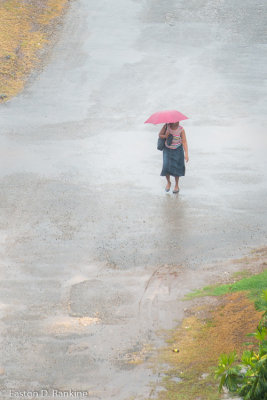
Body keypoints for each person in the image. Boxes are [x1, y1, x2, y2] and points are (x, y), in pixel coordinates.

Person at [158, 121, 189, 193]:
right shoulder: (166, 126)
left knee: (177, 168)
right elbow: (160, 135)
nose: (177, 122)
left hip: (178, 150)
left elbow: (184, 141)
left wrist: (186, 154)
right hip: (167, 149)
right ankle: (168, 182)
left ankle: (176, 185)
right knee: (166, 167)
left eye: (177, 121)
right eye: (174, 121)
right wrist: (165, 136)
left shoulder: (181, 129)